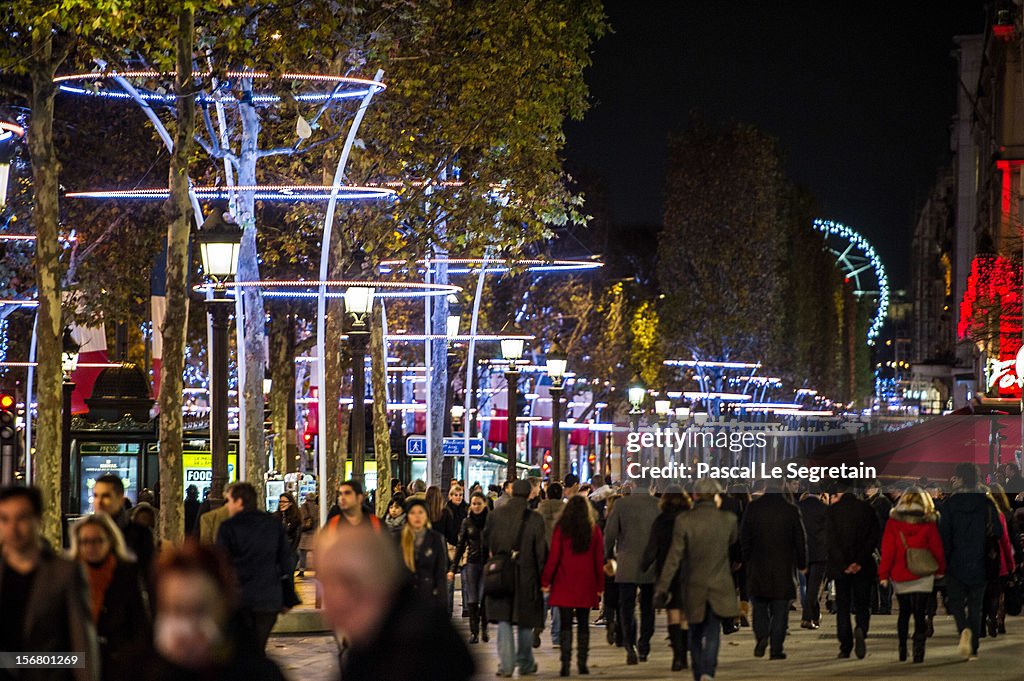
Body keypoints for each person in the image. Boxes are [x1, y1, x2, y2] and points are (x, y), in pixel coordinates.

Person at [318, 521, 474, 681]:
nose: (332, 601)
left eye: (345, 583)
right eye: (324, 584)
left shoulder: (416, 648)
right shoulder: (368, 641)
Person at [136, 540, 287, 681]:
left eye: (199, 610)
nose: (186, 627)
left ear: (223, 606)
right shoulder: (136, 670)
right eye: (175, 610)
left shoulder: (260, 674)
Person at [0, 486, 99, 681]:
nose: (13, 529)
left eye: (22, 518)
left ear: (38, 520)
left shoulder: (65, 574)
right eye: (4, 519)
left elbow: (81, 647)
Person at [655, 479, 739, 681]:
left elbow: (674, 558)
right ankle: (708, 671)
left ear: (695, 496)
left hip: (693, 586)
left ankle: (698, 670)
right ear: (716, 496)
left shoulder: (684, 520)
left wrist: (662, 588)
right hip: (719, 585)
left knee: (694, 631)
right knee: (712, 632)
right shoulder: (728, 520)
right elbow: (734, 546)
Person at [68, 513, 151, 680]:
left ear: (110, 540)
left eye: (98, 540)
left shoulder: (127, 573)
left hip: (118, 662)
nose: (91, 547)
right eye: (85, 541)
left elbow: (139, 622)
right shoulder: (68, 575)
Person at [215, 482, 295, 650]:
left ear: (238, 502)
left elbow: (222, 563)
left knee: (242, 649)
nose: (227, 505)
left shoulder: (229, 527)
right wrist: (287, 596)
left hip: (240, 599)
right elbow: (286, 561)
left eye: (229, 501)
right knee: (258, 646)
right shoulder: (273, 524)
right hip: (268, 598)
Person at [939, 463, 1004, 659]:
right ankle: (973, 647)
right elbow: (998, 532)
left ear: (960, 479)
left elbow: (944, 536)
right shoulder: (986, 503)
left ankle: (963, 631)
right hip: (980, 561)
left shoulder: (950, 504)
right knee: (976, 606)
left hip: (956, 562)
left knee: (957, 604)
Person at [484, 479, 547, 677]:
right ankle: (525, 661)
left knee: (503, 619)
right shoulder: (535, 519)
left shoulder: (496, 515)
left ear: (511, 492)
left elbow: (487, 540)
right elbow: (541, 552)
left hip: (502, 572)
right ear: (529, 494)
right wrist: (544, 578)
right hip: (526, 574)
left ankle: (506, 665)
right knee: (525, 620)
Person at [740, 480, 807, 661]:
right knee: (780, 611)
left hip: (758, 566)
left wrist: (746, 559)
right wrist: (802, 563)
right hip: (782, 567)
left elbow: (744, 536)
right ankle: (776, 649)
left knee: (759, 607)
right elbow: (800, 539)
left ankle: (762, 637)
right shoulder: (791, 510)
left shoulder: (753, 508)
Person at [877, 487, 946, 663]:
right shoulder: (928, 522)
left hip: (900, 572)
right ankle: (918, 648)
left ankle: (902, 646)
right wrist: (940, 570)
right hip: (923, 572)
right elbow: (936, 548)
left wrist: (883, 574)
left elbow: (888, 549)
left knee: (904, 612)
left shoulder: (894, 522)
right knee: (920, 612)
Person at [541, 495, 604, 677]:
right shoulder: (594, 531)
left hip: (564, 583)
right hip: (586, 582)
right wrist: (600, 586)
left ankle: (565, 663)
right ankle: (582, 663)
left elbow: (553, 558)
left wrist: (546, 580)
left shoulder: (561, 530)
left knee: (566, 625)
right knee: (583, 624)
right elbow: (598, 560)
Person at [603, 475, 659, 664]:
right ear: (651, 485)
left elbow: (609, 534)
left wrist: (608, 555)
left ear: (633, 485)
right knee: (647, 608)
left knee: (626, 607)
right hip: (651, 564)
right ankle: (644, 643)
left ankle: (630, 644)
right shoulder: (658, 505)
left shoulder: (621, 505)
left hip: (626, 562)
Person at [826, 482, 881, 660]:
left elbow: (830, 541)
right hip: (863, 567)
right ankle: (861, 629)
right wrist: (859, 561)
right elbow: (874, 538)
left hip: (841, 569)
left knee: (843, 607)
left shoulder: (833, 511)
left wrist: (844, 563)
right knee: (863, 605)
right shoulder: (867, 509)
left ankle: (845, 646)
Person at [641, 484, 691, 671]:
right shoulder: (689, 519)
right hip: (688, 570)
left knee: (673, 613)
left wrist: (644, 564)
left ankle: (677, 656)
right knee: (685, 613)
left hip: (667, 572)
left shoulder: (661, 520)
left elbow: (652, 547)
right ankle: (684, 654)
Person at [93, 474, 154, 581]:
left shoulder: (140, 535)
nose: (99, 502)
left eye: (106, 496)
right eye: (96, 495)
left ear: (120, 499)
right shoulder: (86, 532)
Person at [451, 491, 490, 643]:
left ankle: (485, 628)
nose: (476, 506)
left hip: (487, 563)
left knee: (484, 596)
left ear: (485, 504)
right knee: (472, 598)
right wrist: (453, 568)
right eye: (473, 504)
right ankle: (474, 632)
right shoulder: (467, 522)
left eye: (479, 503)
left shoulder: (491, 521)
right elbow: (461, 545)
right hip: (472, 563)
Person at [400, 498, 448, 612]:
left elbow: (440, 573)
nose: (417, 517)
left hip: (428, 597)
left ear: (426, 515)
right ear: (407, 516)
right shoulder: (398, 538)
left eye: (421, 512)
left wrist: (442, 605)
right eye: (412, 513)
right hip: (404, 600)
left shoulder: (436, 539)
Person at [984, 484, 1017, 638]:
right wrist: (1012, 564)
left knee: (986, 592)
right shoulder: (1006, 515)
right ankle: (997, 618)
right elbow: (1007, 541)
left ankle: (985, 619)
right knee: (998, 593)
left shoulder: (982, 517)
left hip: (984, 560)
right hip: (1000, 559)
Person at [537, 482, 565, 648]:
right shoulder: (566, 511)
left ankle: (538, 625)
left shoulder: (539, 511)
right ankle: (556, 636)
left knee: (544, 594)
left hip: (543, 557)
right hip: (561, 558)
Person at [798, 490, 829, 630]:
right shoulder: (824, 509)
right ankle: (808, 617)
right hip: (820, 554)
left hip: (804, 553)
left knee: (809, 586)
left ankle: (812, 616)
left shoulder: (798, 508)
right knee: (814, 587)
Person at [865, 479, 894, 615]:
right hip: (877, 544)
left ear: (877, 488)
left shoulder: (881, 503)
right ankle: (879, 605)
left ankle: (883, 605)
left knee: (881, 576)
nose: (867, 489)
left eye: (869, 487)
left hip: (880, 544)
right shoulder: (875, 502)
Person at [437, 485, 468, 615]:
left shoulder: (466, 509)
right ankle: (449, 608)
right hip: (450, 546)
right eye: (455, 495)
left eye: (460, 495)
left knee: (465, 577)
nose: (458, 497)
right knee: (450, 577)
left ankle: (466, 608)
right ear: (450, 496)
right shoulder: (446, 510)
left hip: (464, 546)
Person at [274, 492, 302, 572]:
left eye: (284, 502)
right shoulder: (275, 517)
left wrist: (290, 552)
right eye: (280, 501)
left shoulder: (295, 519)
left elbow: (296, 537)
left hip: (290, 552)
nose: (281, 504)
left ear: (290, 503)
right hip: (277, 552)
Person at [297, 493, 318, 577]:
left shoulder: (303, 507)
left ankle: (302, 570)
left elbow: (300, 519)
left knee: (303, 554)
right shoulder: (317, 508)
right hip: (314, 534)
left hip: (305, 534)